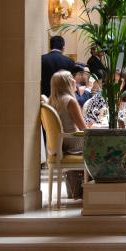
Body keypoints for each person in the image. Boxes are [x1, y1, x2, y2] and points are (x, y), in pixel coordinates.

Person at [48, 70, 89, 199]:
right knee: (99, 143)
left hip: (60, 143)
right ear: (67, 83)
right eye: (71, 78)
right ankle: (93, 188)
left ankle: (76, 188)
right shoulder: (70, 101)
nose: (74, 81)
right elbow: (84, 128)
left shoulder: (51, 100)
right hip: (72, 142)